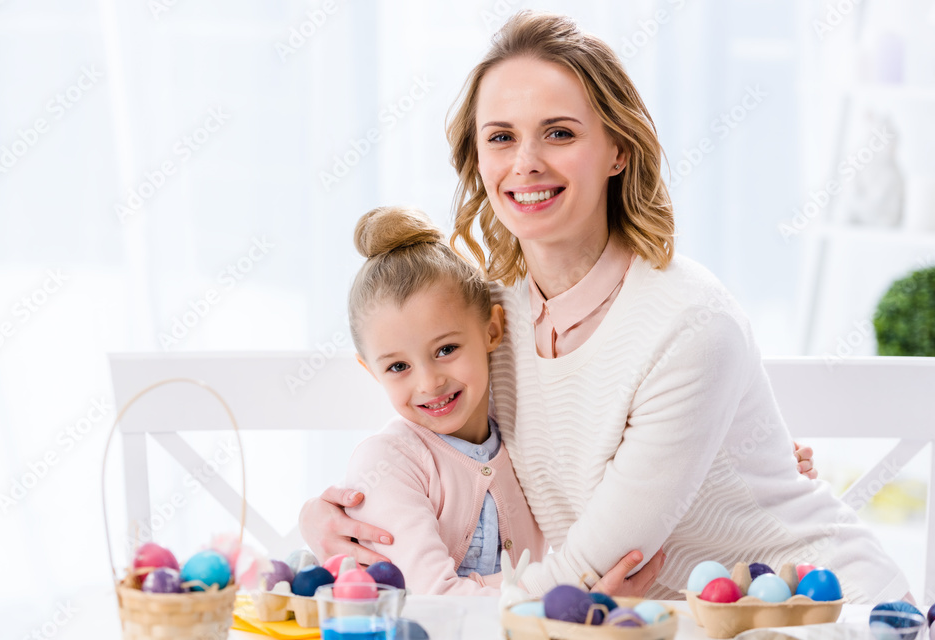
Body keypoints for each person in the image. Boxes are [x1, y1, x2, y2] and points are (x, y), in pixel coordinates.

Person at [302, 11, 908, 603]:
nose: (526, 162)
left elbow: (598, 564)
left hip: (822, 614)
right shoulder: (488, 314)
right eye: (501, 137)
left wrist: (467, 604)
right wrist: (329, 523)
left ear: (617, 149)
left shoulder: (691, 325)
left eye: (560, 132)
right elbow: (431, 440)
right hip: (643, 630)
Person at [339, 204, 546, 594]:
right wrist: (554, 588)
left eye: (446, 349)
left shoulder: (522, 438)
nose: (429, 383)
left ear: (491, 331)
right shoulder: (388, 463)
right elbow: (434, 599)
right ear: (371, 372)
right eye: (398, 367)